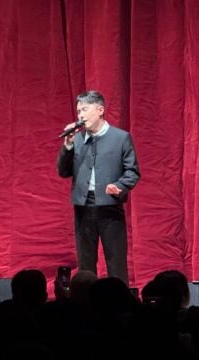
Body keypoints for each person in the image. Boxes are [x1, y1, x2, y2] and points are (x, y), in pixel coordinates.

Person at [57, 90, 140, 286]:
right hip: (83, 208)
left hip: (110, 208)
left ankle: (118, 300)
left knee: (116, 262)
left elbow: (132, 172)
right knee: (85, 264)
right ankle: (85, 300)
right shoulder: (77, 139)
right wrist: (67, 146)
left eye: (85, 110)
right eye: (79, 111)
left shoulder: (121, 138)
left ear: (100, 110)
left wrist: (119, 186)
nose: (81, 115)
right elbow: (63, 171)